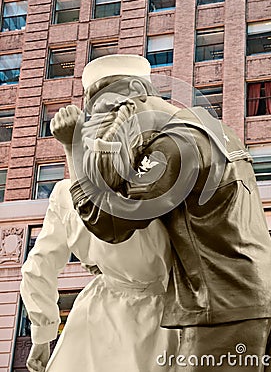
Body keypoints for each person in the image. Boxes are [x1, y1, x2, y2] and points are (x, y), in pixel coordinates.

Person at [53, 54, 271, 372]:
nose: (103, 122)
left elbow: (109, 224)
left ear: (137, 92)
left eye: (107, 107)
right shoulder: (214, 130)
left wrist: (75, 147)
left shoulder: (174, 145)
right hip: (265, 298)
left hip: (221, 310)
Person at [20, 76, 179, 371]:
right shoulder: (162, 184)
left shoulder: (64, 195)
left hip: (97, 319)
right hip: (164, 321)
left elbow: (38, 268)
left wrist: (42, 337)